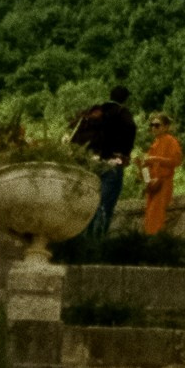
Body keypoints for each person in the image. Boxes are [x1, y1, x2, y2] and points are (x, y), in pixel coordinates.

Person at [69, 78, 136, 249]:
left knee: (86, 201)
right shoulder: (122, 113)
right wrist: (124, 155)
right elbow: (131, 129)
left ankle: (76, 240)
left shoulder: (95, 111)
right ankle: (95, 244)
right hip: (112, 163)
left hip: (89, 163)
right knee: (104, 204)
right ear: (125, 99)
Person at [140, 112, 184, 237]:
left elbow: (176, 161)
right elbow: (145, 169)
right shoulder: (154, 144)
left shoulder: (171, 141)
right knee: (149, 217)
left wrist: (155, 159)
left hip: (164, 183)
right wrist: (145, 175)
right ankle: (151, 244)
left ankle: (155, 245)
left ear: (166, 127)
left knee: (156, 216)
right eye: (152, 125)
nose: (153, 128)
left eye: (157, 125)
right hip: (153, 187)